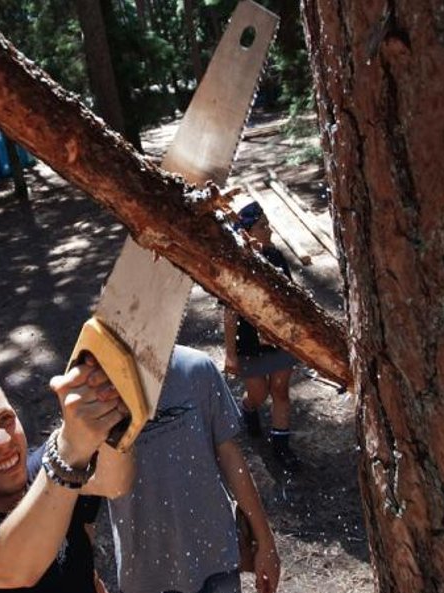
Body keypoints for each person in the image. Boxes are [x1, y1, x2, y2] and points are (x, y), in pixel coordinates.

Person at [0, 361, 135, 593]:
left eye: (5, 419)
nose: (3, 441)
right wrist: (69, 455)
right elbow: (15, 568)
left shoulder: (46, 469)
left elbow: (113, 482)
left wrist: (112, 419)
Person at [106, 345, 280, 593]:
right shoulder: (100, 390)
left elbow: (232, 459)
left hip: (215, 558)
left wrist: (265, 542)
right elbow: (84, 500)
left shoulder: (197, 368)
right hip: (146, 574)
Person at [224, 201, 300, 470]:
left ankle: (281, 447)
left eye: (267, 224)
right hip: (249, 344)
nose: (269, 230)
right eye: (262, 226)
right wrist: (230, 353)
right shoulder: (237, 265)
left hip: (280, 340)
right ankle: (248, 408)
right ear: (246, 233)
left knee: (280, 391)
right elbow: (231, 312)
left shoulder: (276, 256)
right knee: (259, 393)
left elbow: (291, 297)